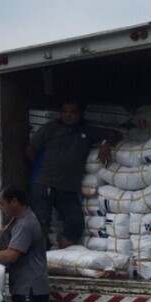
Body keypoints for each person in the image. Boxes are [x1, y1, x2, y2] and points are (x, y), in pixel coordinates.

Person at [27, 99, 120, 248]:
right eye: (65, 112)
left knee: (76, 223)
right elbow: (31, 149)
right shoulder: (50, 128)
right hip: (44, 184)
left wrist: (106, 144)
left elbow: (114, 134)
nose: (68, 116)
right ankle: (40, 257)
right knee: (41, 222)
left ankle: (61, 254)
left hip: (68, 188)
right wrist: (40, 170)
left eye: (73, 112)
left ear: (80, 114)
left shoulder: (87, 131)